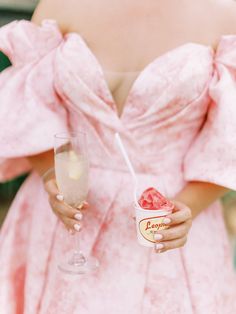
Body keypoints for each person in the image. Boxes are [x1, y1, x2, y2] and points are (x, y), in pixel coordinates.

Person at [0, 0, 236, 312]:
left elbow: (227, 139)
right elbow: (31, 107)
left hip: (172, 236)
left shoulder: (224, 13)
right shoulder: (62, 3)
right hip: (59, 226)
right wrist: (52, 175)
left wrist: (186, 210)